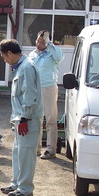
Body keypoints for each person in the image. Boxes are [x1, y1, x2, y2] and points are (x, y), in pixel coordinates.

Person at [0, 39, 43, 196]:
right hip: (21, 118)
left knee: (26, 154)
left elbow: (30, 96)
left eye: (4, 57)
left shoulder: (26, 68)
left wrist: (24, 117)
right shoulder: (20, 68)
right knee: (18, 152)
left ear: (10, 53)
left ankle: (25, 188)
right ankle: (16, 183)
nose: (4, 60)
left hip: (28, 119)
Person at [29, 30, 64, 159]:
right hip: (35, 88)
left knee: (50, 119)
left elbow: (60, 57)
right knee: (36, 119)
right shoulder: (32, 54)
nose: (39, 44)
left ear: (48, 42)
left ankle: (51, 149)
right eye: (38, 41)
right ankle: (36, 148)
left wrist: (50, 45)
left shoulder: (53, 53)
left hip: (49, 87)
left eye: (42, 42)